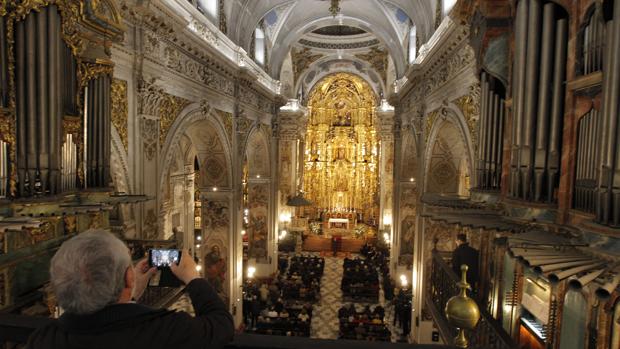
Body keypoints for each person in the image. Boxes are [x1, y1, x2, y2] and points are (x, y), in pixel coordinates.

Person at [27, 229, 234, 349]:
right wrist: (192, 277)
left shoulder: (43, 339)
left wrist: (131, 294)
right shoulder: (162, 331)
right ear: (129, 276)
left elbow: (103, 317)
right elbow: (222, 325)